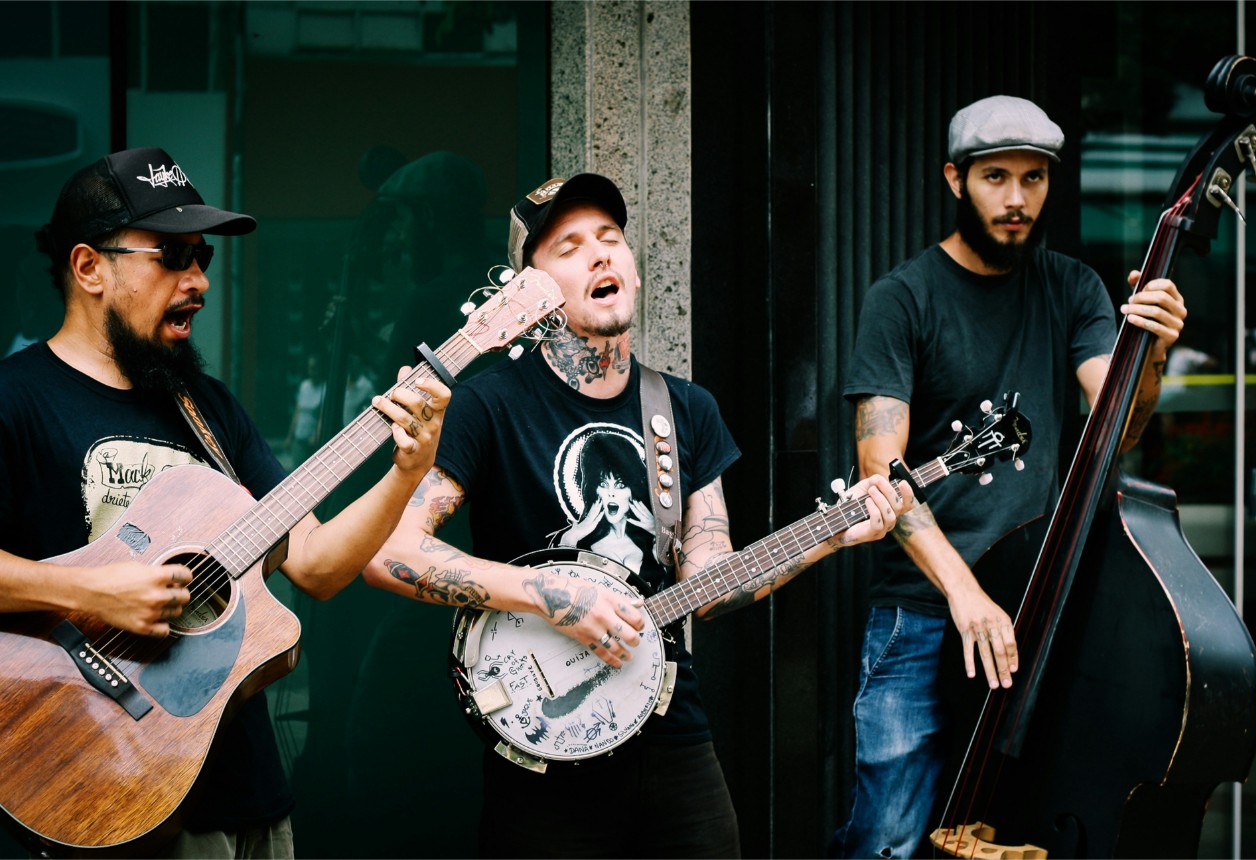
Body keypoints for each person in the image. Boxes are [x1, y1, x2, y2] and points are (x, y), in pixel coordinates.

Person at [361, 173, 912, 858]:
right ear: (524, 293)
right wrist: (548, 595)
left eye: (610, 239)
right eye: (568, 247)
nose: (599, 255)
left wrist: (832, 536)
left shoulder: (684, 410)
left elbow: (710, 580)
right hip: (541, 739)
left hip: (670, 731)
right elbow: (387, 551)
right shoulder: (486, 407)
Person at [0, 146, 450, 858]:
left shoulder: (206, 408)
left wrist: (405, 470)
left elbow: (317, 565)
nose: (199, 281)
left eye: (203, 257)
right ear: (89, 267)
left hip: (245, 794)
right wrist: (96, 592)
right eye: (173, 257)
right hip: (104, 778)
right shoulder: (15, 401)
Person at [830, 96, 1187, 858]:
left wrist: (1149, 353)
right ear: (955, 179)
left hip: (1036, 611)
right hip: (925, 614)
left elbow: (1114, 428)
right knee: (889, 837)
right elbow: (879, 473)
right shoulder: (902, 298)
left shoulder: (1073, 288)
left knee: (1020, 833)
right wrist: (966, 596)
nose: (1018, 199)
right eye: (997, 177)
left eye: (1034, 178)